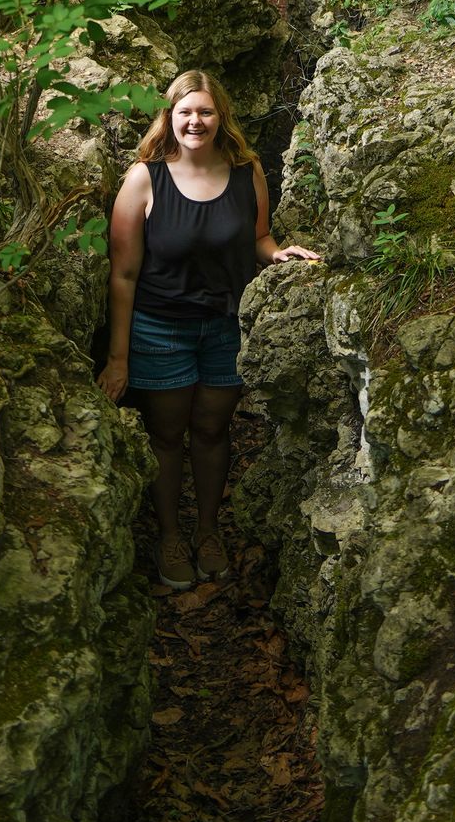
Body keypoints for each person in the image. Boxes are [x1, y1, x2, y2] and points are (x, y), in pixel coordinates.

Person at [97, 68, 320, 590]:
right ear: (169, 117)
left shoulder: (247, 171)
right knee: (168, 435)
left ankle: (206, 529)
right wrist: (118, 358)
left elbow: (259, 236)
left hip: (227, 325)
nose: (195, 121)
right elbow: (123, 273)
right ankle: (171, 534)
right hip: (159, 327)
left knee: (212, 430)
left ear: (220, 117)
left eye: (205, 112)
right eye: (185, 112)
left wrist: (277, 253)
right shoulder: (143, 178)